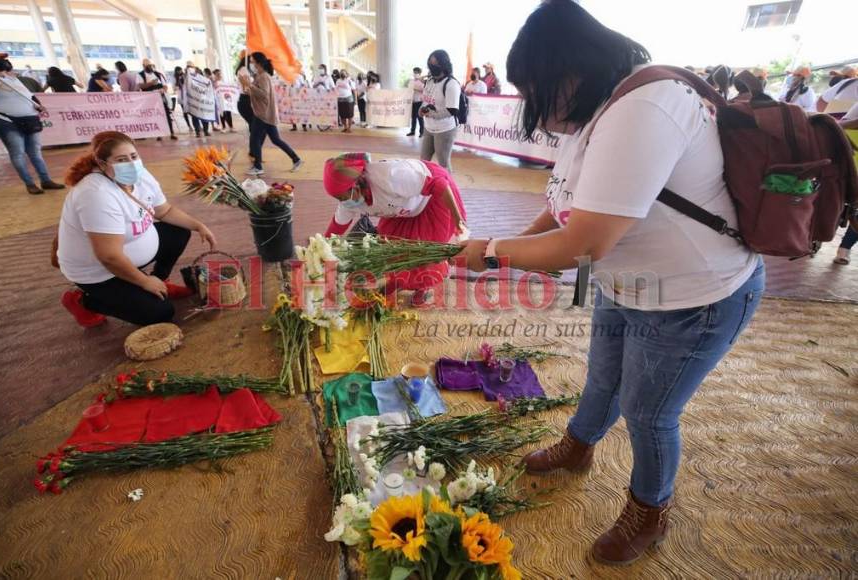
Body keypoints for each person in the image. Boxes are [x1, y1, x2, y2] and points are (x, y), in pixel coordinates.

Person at [455, 0, 763, 566]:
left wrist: (493, 255)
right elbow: (567, 209)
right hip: (630, 286)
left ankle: (650, 508)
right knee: (601, 379)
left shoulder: (644, 108)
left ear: (570, 70)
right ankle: (579, 448)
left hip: (696, 298)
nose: (534, 105)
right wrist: (508, 242)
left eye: (536, 88)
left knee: (649, 413)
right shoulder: (598, 111)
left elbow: (583, 246)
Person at [58, 131, 216, 327]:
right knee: (160, 313)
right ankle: (82, 300)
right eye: (121, 160)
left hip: (129, 253)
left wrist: (198, 225)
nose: (131, 164)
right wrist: (144, 282)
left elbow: (164, 211)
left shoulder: (140, 175)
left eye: (134, 156)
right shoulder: (96, 194)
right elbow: (109, 257)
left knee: (179, 231)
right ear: (102, 163)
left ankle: (160, 281)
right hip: (101, 272)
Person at [322, 152, 467, 304]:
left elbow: (438, 185)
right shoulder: (350, 200)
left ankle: (423, 287)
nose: (343, 202)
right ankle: (397, 281)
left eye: (343, 197)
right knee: (392, 249)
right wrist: (321, 249)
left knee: (424, 253)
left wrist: (458, 220)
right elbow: (337, 226)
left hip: (432, 200)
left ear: (356, 183)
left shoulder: (391, 176)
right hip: (402, 211)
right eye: (339, 199)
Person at [0, 48, 65, 195]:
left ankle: (45, 180)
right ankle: (29, 183)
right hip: (5, 121)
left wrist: (38, 104)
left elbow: (28, 95)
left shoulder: (12, 79)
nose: (3, 66)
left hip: (29, 119)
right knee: (17, 153)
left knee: (35, 152)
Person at [238, 52, 303, 176]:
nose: (251, 64)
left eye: (253, 62)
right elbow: (258, 94)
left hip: (263, 114)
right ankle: (296, 159)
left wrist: (249, 85)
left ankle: (258, 166)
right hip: (266, 114)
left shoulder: (263, 77)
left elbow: (263, 95)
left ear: (259, 63)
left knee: (255, 139)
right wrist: (248, 87)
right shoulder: (261, 76)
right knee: (275, 140)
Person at [420, 50, 461, 172]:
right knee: (424, 161)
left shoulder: (451, 84)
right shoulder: (430, 81)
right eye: (430, 63)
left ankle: (449, 189)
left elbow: (452, 111)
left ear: (443, 64)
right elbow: (426, 100)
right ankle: (428, 187)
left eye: (435, 63)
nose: (432, 66)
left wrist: (432, 114)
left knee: (443, 164)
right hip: (429, 127)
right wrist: (422, 110)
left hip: (445, 129)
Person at [138, 59, 177, 141]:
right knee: (155, 117)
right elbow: (141, 86)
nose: (150, 67)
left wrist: (163, 90)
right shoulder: (140, 75)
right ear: (144, 66)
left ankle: (171, 133)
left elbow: (165, 85)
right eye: (148, 66)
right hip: (149, 100)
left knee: (166, 115)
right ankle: (159, 134)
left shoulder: (158, 74)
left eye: (151, 65)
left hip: (161, 98)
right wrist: (151, 83)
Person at [182, 63, 214, 137]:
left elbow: (208, 87)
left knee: (204, 117)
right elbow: (186, 88)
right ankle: (198, 132)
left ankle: (206, 131)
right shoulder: (188, 78)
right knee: (195, 117)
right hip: (194, 102)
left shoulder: (203, 79)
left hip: (203, 102)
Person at [173, 66, 194, 133]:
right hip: (181, 97)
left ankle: (196, 125)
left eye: (180, 70)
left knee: (192, 111)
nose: (180, 72)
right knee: (185, 112)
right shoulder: (175, 78)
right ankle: (189, 126)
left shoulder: (185, 76)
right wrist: (178, 85)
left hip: (187, 96)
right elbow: (175, 88)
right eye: (178, 71)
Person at [407, 67, 425, 137]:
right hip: (413, 101)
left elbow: (424, 90)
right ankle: (412, 131)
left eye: (416, 73)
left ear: (420, 73)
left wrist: (415, 89)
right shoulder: (411, 81)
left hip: (419, 101)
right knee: (413, 117)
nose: (415, 74)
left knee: (420, 117)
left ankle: (421, 132)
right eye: (414, 72)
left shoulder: (422, 81)